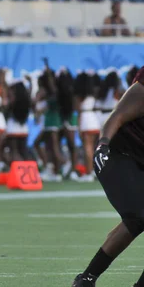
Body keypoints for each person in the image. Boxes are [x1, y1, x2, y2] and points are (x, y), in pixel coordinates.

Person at [72, 66, 144, 286]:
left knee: (136, 219)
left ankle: (86, 279)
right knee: (139, 215)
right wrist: (102, 145)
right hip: (118, 153)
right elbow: (118, 116)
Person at [75, 71, 102, 182]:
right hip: (94, 118)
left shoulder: (79, 95)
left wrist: (79, 125)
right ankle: (95, 171)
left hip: (86, 119)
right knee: (94, 147)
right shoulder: (94, 92)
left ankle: (89, 172)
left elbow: (77, 109)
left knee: (88, 147)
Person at [5, 79, 31, 161]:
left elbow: (7, 107)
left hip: (12, 128)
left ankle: (18, 170)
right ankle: (26, 170)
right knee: (24, 152)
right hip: (24, 129)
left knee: (14, 152)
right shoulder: (26, 100)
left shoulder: (13, 100)